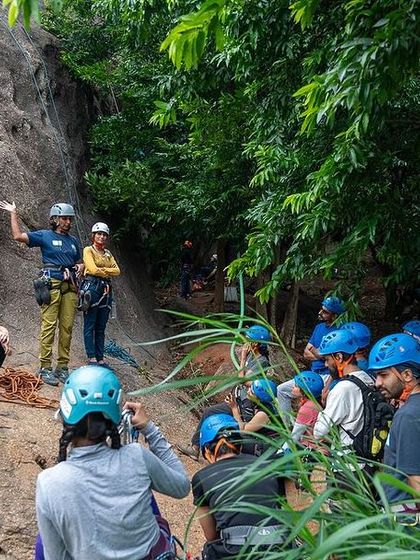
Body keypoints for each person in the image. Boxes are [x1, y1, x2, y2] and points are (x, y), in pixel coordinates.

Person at [35, 365, 190, 560]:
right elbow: (182, 486)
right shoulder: (136, 457)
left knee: (43, 542)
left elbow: (56, 557)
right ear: (115, 419)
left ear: (64, 414)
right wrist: (149, 429)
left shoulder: (48, 482)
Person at [0, 201, 84, 385]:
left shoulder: (74, 241)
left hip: (70, 286)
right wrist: (13, 213)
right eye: (64, 218)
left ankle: (62, 367)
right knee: (49, 325)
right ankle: (44, 367)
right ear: (55, 219)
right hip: (52, 283)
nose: (68, 222)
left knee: (67, 328)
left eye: (70, 219)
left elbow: (80, 261)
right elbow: (17, 236)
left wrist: (79, 266)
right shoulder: (45, 236)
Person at [192, 413, 292, 559]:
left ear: (207, 450)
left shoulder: (201, 477)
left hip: (235, 550)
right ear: (239, 445)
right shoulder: (266, 465)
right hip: (279, 547)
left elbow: (211, 535)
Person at [177, 326, 273, 460]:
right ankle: (195, 448)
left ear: (255, 344)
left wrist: (242, 357)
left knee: (222, 422)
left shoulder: (262, 361)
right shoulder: (252, 356)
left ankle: (210, 452)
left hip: (246, 406)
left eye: (248, 339)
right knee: (209, 412)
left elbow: (243, 380)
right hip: (239, 400)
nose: (245, 341)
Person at [368, 333, 420, 523]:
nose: (377, 383)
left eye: (383, 375)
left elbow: (416, 481)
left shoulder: (409, 415)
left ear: (406, 375)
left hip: (406, 522)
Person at [313, 329, 374, 477]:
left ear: (339, 357)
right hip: (369, 463)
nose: (326, 365)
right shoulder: (368, 380)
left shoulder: (343, 388)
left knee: (337, 500)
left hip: (347, 467)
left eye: (327, 360)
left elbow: (319, 431)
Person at [277, 295, 345, 418]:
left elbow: (332, 358)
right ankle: (288, 427)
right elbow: (306, 352)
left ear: (334, 315)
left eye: (325, 312)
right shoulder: (319, 327)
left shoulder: (339, 331)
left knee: (326, 400)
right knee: (282, 389)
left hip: (328, 375)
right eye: (321, 309)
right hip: (313, 373)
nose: (320, 312)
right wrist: (321, 355)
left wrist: (318, 353)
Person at [81, 222, 121, 366]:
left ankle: (100, 358)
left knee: (101, 326)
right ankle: (91, 357)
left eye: (104, 235)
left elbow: (117, 271)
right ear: (93, 235)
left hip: (106, 288)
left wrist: (101, 270)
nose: (102, 237)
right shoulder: (88, 250)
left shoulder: (108, 253)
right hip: (92, 287)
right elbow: (91, 268)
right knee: (90, 323)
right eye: (99, 234)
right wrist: (105, 270)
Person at [283, 371, 325, 452]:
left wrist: (280, 452)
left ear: (304, 391)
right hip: (312, 445)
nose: (293, 387)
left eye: (296, 386)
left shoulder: (307, 408)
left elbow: (294, 437)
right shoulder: (313, 402)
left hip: (309, 447)